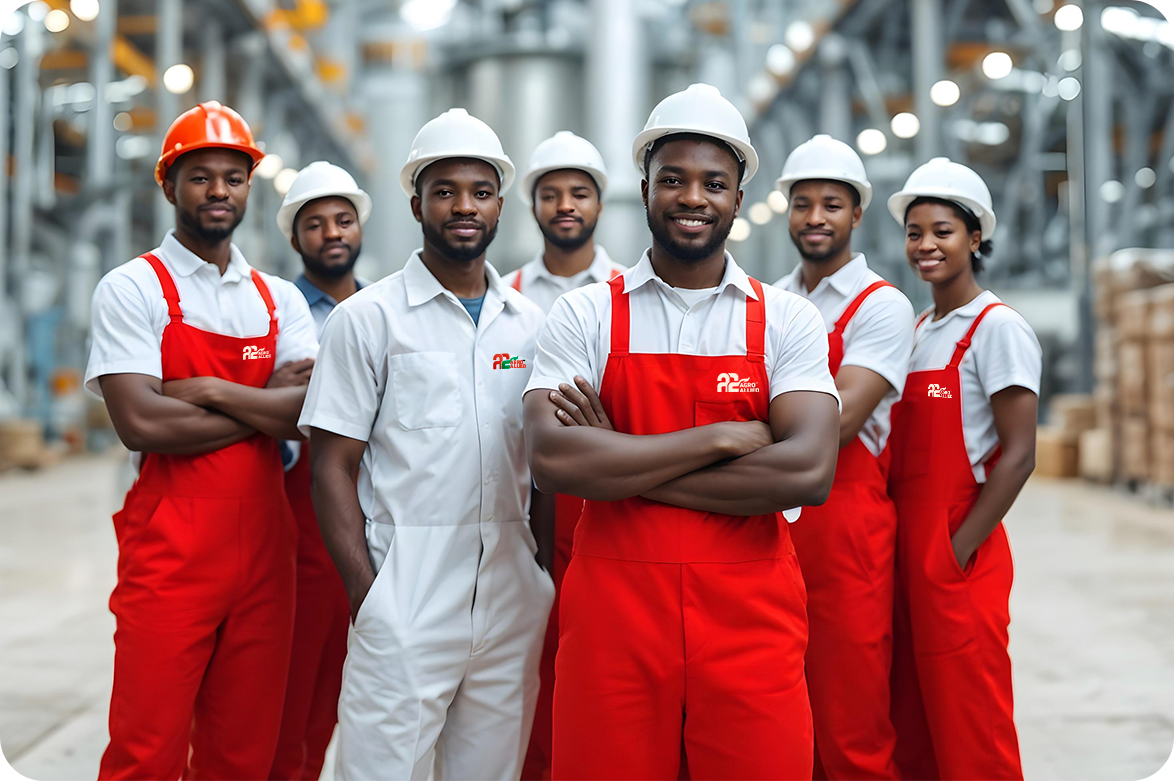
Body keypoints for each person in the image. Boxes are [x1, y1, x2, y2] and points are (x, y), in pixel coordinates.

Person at [523, 83, 841, 780]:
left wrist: (622, 463)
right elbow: (551, 458)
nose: (692, 197)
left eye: (713, 183)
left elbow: (809, 472)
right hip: (613, 620)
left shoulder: (786, 320)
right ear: (644, 188)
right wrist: (724, 438)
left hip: (751, 617)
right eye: (673, 179)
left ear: (736, 197)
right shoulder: (583, 316)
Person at [299, 108, 554, 781]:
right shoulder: (367, 319)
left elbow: (547, 467)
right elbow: (331, 466)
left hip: (510, 590)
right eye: (444, 191)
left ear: (500, 203)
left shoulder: (532, 326)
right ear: (416, 203)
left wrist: (542, 576)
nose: (463, 207)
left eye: (479, 191)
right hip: (403, 590)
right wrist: (370, 596)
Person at [84, 101, 319, 780]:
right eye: (200, 176)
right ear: (168, 185)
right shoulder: (132, 289)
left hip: (267, 554)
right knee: (145, 746)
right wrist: (265, 402)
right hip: (170, 551)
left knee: (242, 751)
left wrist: (211, 390)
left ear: (250, 185)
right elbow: (143, 423)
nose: (219, 191)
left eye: (233, 176)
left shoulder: (278, 299)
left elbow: (308, 413)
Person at [886, 157, 1039, 781]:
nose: (925, 245)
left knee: (971, 722)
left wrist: (954, 552)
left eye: (942, 230)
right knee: (915, 720)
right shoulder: (919, 328)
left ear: (975, 238)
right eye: (915, 231)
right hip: (906, 546)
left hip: (957, 551)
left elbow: (1020, 453)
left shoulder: (996, 327)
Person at [772, 135, 913, 781]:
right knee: (774, 714)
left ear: (858, 214)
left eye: (832, 203)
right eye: (803, 203)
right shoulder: (766, 300)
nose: (816, 217)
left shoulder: (882, 306)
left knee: (850, 721)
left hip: (847, 530)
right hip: (769, 522)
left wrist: (728, 433)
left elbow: (840, 421)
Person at [512, 130, 625, 781]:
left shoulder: (629, 293)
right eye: (550, 193)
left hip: (604, 499)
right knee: (533, 667)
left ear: (600, 203)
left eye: (578, 192)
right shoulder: (506, 296)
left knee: (601, 671)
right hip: (521, 504)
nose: (565, 205)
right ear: (532, 203)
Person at [269, 160, 373, 781]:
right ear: (295, 238)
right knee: (290, 695)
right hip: (300, 522)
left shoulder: (387, 309)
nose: (331, 232)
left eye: (342, 219)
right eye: (315, 224)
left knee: (345, 697)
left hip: (376, 517)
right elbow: (284, 408)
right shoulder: (280, 312)